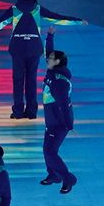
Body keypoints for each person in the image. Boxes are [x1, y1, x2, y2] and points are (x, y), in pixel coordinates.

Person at [0, 0, 86, 119]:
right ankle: (31, 111)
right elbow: (58, 18)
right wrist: (77, 21)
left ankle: (18, 111)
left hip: (18, 50)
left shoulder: (15, 10)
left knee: (18, 81)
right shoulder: (37, 9)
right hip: (34, 49)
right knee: (31, 81)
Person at [41, 26, 77, 193]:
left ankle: (68, 179)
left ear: (57, 62)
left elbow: (64, 104)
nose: (47, 59)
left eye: (50, 58)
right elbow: (48, 53)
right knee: (47, 150)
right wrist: (49, 37)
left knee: (50, 151)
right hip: (51, 120)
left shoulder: (59, 81)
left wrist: (69, 125)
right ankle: (53, 175)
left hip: (59, 123)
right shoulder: (53, 72)